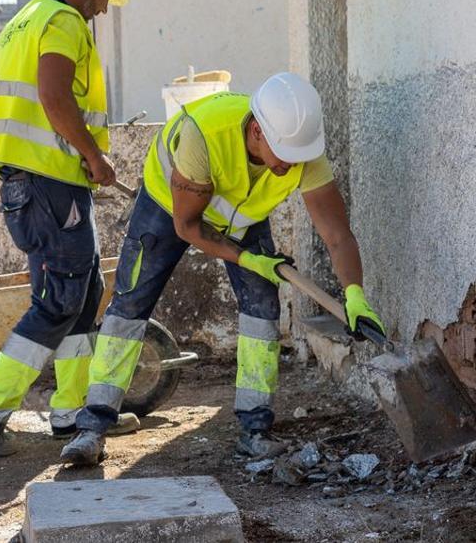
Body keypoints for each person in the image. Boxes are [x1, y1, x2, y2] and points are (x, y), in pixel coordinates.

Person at [60, 72, 387, 465]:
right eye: (283, 153)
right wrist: (248, 258)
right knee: (131, 304)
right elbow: (189, 226)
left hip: (242, 218)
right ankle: (92, 427)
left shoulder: (301, 153)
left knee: (263, 310)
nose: (290, 165)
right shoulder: (205, 136)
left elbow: (337, 235)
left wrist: (355, 295)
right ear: (256, 131)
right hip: (169, 207)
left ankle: (255, 428)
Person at [0, 0, 133, 457]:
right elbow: (54, 98)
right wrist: (93, 154)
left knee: (83, 295)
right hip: (50, 183)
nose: (105, 9)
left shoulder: (25, 19)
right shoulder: (64, 19)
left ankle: (72, 410)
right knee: (62, 300)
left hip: (39, 185)